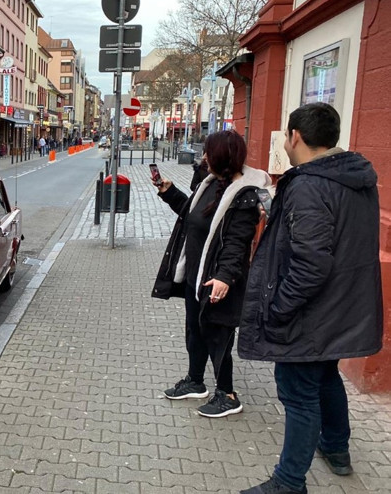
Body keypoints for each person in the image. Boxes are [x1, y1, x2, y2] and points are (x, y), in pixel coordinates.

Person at [239, 104, 382, 494]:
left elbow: (310, 264)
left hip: (310, 312)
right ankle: (336, 449)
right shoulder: (357, 177)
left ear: (295, 137)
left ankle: (289, 481)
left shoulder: (307, 184)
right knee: (326, 378)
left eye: (287, 135)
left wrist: (279, 308)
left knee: (299, 392)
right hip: (342, 307)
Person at [152, 130, 271, 418]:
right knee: (195, 330)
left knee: (218, 336)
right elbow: (192, 217)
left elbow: (236, 244)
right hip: (196, 276)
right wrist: (169, 192)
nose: (203, 156)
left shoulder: (244, 196)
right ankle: (195, 381)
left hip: (218, 280)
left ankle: (228, 395)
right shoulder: (210, 182)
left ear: (220, 156)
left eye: (208, 152)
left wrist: (225, 278)